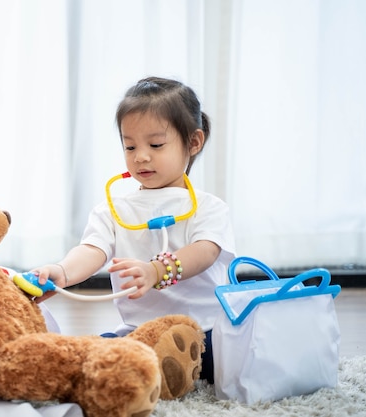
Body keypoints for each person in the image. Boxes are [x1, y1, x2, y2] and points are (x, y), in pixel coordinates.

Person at [33, 76, 236, 384]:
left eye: (155, 144)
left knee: (223, 363)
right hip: (139, 334)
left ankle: (161, 373)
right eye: (130, 146)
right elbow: (92, 250)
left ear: (193, 142)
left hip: (205, 334)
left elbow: (205, 252)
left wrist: (158, 270)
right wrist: (63, 272)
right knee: (98, 354)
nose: (140, 155)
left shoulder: (210, 208)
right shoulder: (113, 210)